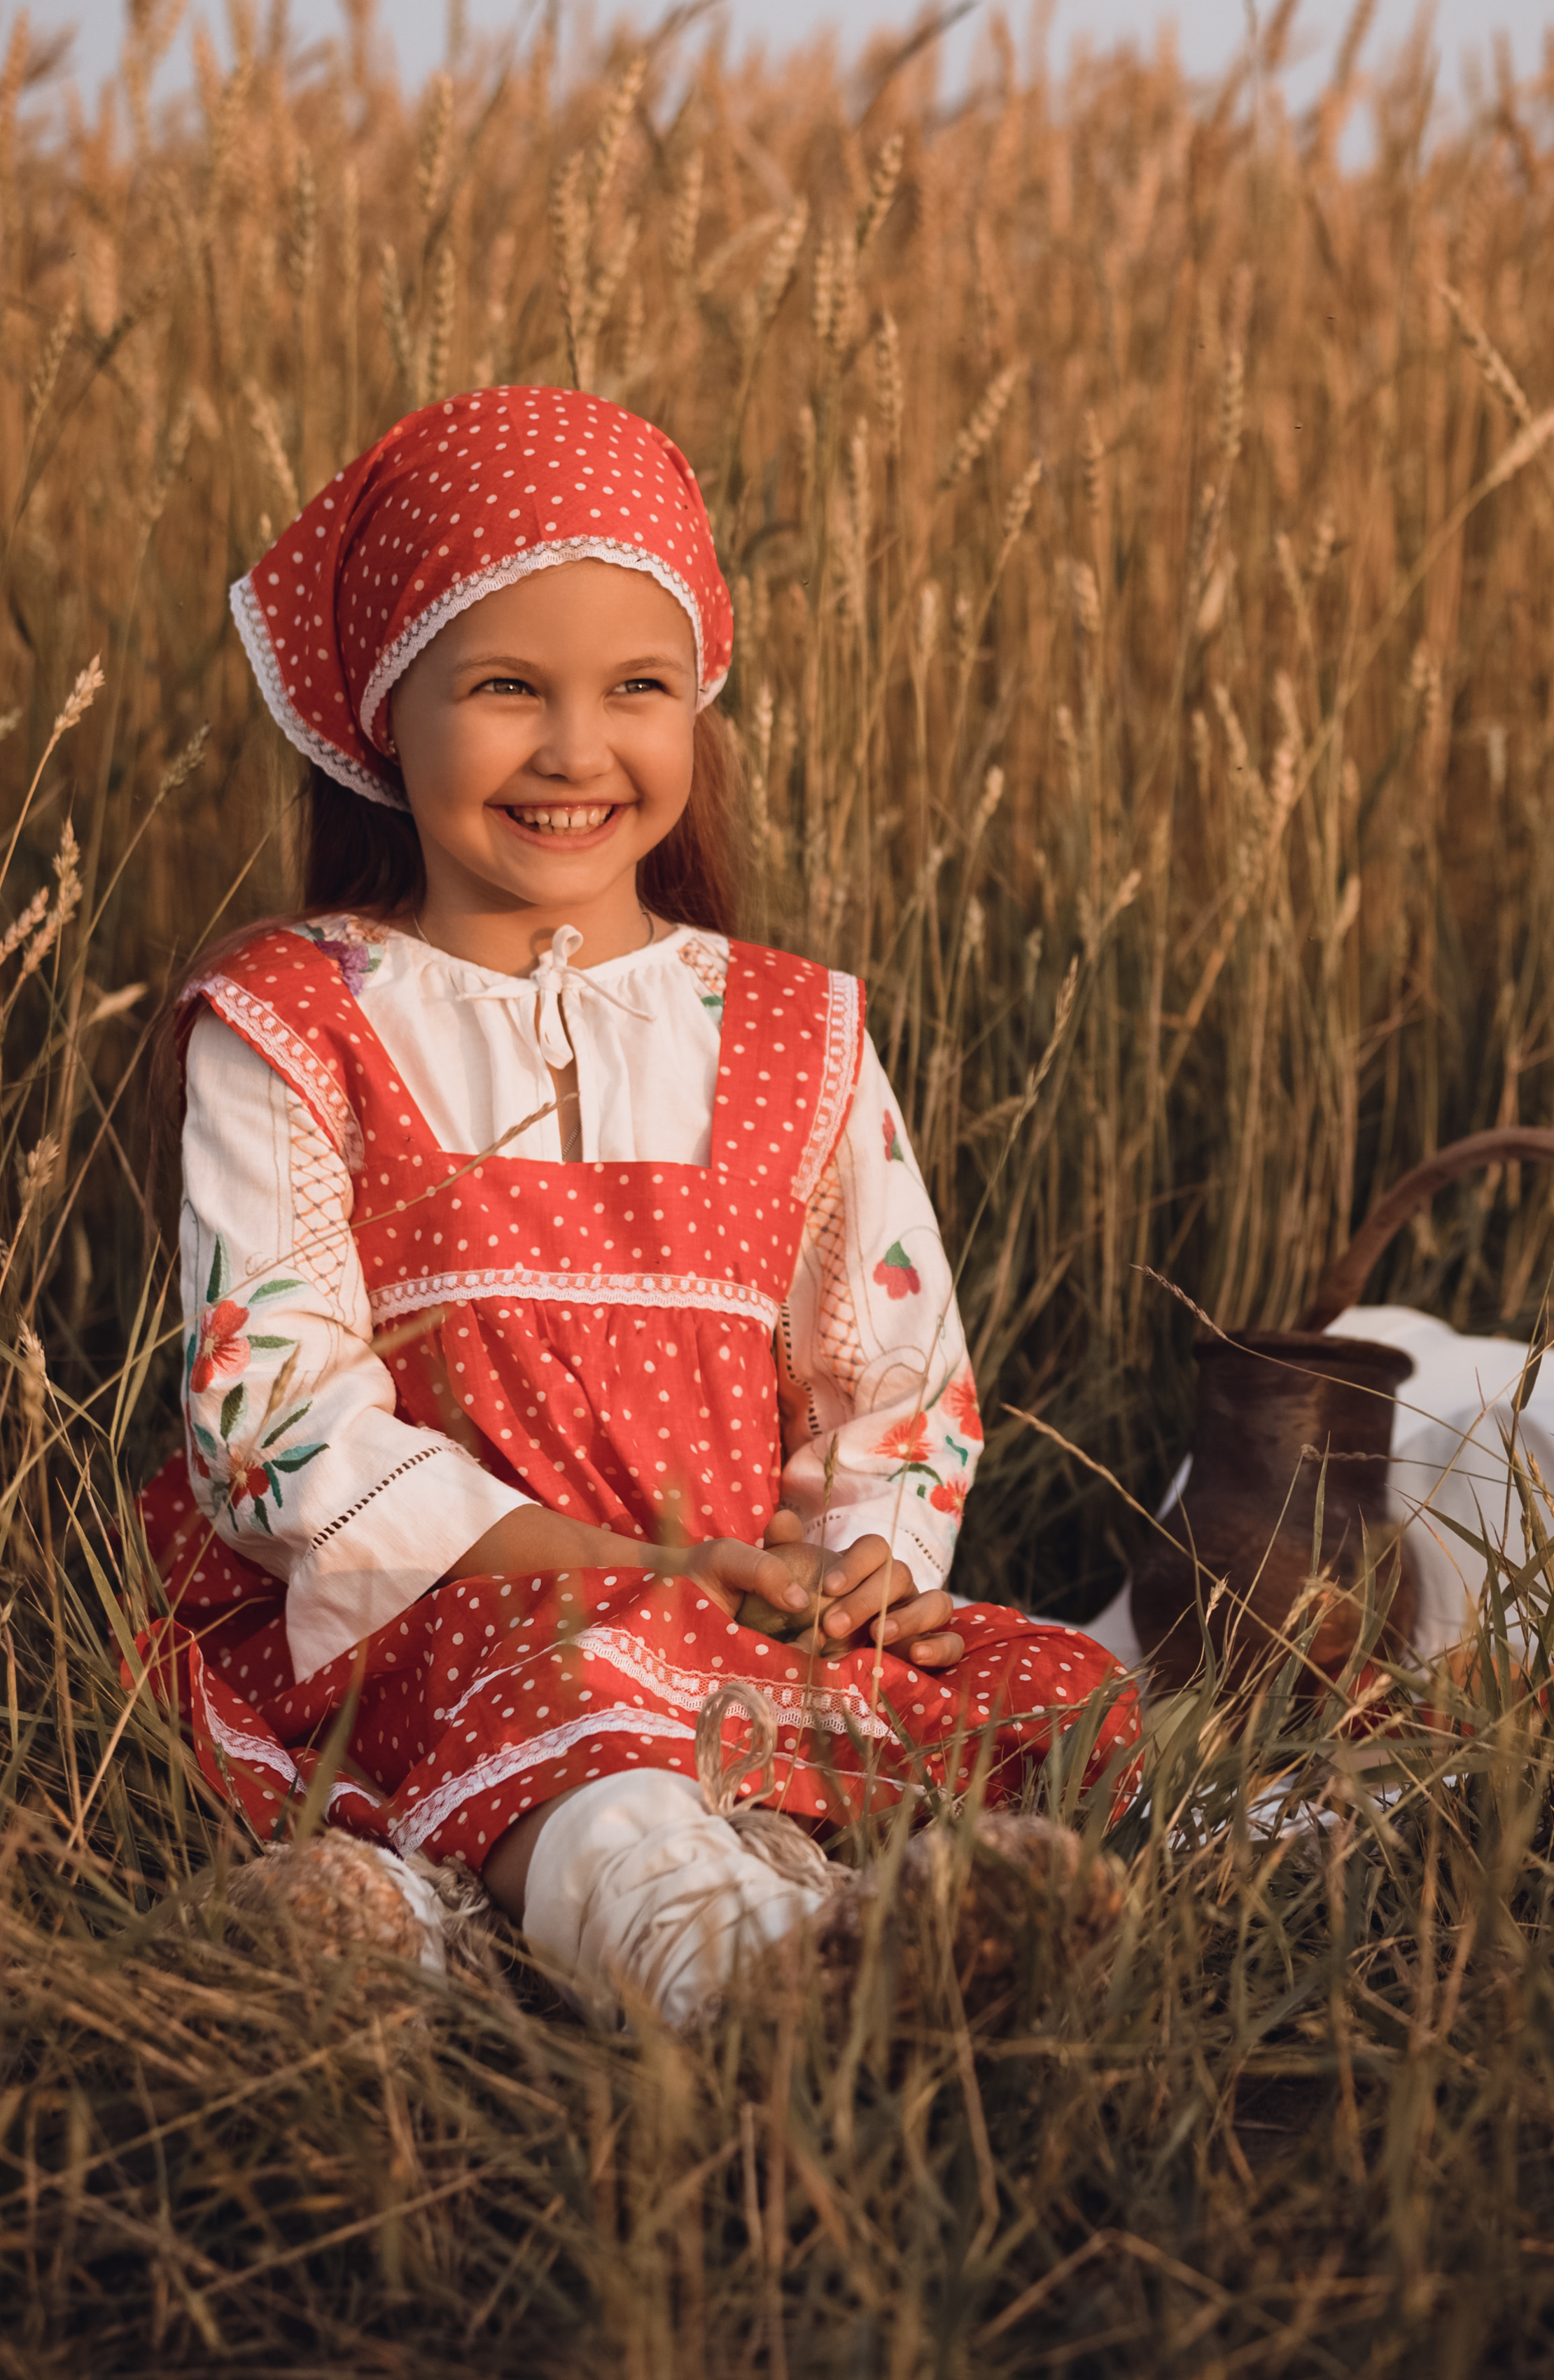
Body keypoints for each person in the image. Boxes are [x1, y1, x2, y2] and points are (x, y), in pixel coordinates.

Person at [133, 385, 1137, 2027]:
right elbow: (274, 1424)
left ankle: (487, 1916)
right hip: (431, 1610)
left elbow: (893, 1374)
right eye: (508, 687)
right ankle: (731, 1975)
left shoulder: (790, 1030)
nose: (578, 750)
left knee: (1056, 1703)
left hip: (749, 1607)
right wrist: (625, 1561)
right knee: (588, 1718)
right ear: (390, 705)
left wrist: (867, 1564)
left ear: (699, 708)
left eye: (638, 689)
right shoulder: (297, 1017)